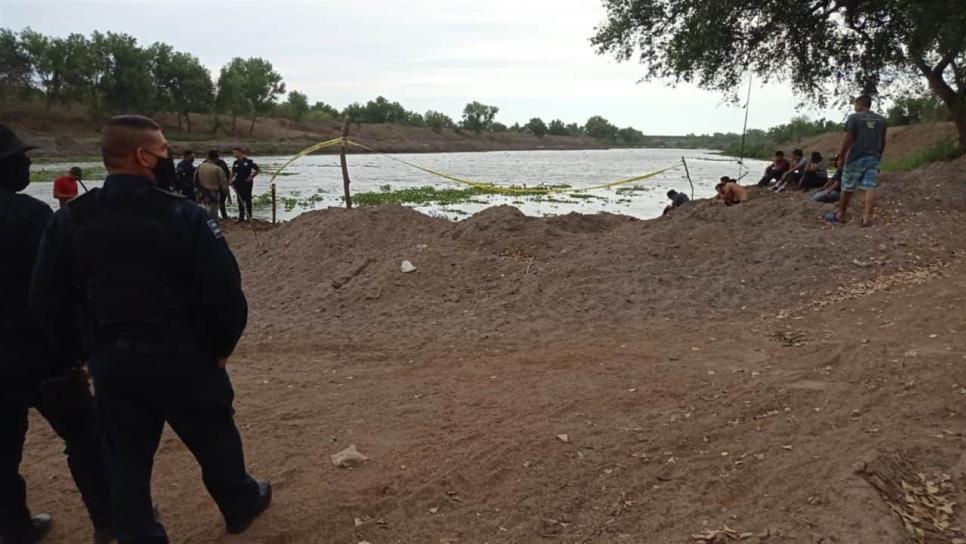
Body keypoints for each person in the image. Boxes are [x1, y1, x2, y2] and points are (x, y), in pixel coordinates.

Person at [30, 116, 271, 544]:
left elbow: (47, 298)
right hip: (187, 356)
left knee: (125, 457)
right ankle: (239, 504)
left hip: (113, 359)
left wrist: (81, 353)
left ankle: (138, 532)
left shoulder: (69, 221)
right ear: (142, 155)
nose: (167, 157)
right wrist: (221, 346)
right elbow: (224, 291)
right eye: (163, 150)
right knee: (215, 437)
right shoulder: (183, 214)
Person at [0, 124, 114, 544]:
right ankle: (109, 517)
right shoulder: (29, 217)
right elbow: (58, 290)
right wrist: (79, 349)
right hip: (43, 358)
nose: (27, 162)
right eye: (19, 157)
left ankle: (12, 527)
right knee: (86, 438)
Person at [826, 94, 888, 226]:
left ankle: (841, 215)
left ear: (861, 104)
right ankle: (867, 218)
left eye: (855, 104)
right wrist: (879, 155)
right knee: (870, 186)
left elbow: (849, 138)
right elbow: (882, 141)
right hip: (873, 156)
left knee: (847, 186)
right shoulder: (881, 120)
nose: (854, 107)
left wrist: (841, 155)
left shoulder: (854, 118)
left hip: (856, 156)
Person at [196, 150, 229, 219]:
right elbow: (224, 184)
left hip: (201, 192)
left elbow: (195, 179)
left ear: (208, 157)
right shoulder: (217, 169)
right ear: (217, 158)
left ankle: (202, 226)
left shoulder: (200, 167)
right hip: (213, 193)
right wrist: (226, 194)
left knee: (203, 211)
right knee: (213, 213)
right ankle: (212, 228)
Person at [231, 147, 259, 222]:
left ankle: (249, 217)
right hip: (238, 183)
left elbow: (258, 169)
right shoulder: (235, 163)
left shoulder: (249, 161)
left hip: (247, 183)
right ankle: (241, 217)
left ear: (240, 152)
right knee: (240, 200)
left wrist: (251, 177)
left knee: (248, 200)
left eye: (235, 152)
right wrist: (230, 180)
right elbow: (233, 173)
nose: (234, 154)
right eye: (233, 153)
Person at [212, 150, 232, 220]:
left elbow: (228, 172)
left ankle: (224, 216)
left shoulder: (222, 162)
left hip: (222, 185)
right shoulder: (207, 163)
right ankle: (214, 217)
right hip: (213, 186)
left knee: (222, 201)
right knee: (213, 202)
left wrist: (229, 180)